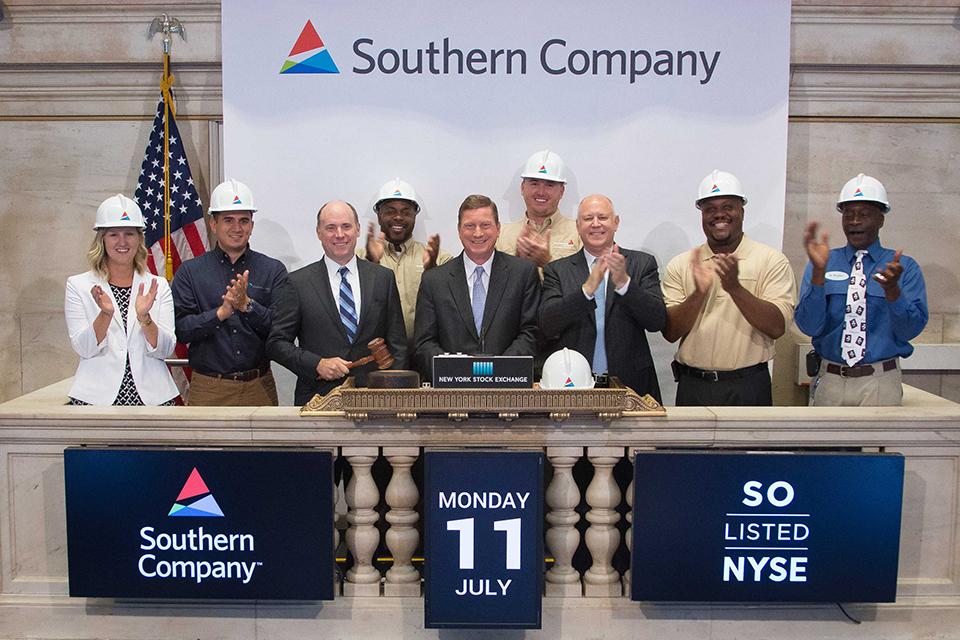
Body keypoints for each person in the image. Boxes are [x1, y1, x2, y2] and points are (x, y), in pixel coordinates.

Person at [662, 170, 796, 406]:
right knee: (687, 446)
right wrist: (699, 293)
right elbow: (671, 332)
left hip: (748, 386)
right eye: (710, 209)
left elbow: (777, 327)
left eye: (727, 206)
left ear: (742, 211)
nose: (719, 214)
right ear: (702, 215)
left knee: (748, 446)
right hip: (693, 386)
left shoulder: (771, 260)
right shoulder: (682, 264)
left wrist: (735, 288)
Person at [796, 173, 928, 406]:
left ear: (881, 219)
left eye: (864, 214)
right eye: (848, 214)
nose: (855, 221)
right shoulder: (823, 261)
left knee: (875, 444)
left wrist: (892, 292)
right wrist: (817, 274)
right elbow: (809, 325)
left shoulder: (904, 267)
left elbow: (909, 331)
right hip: (831, 379)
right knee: (827, 444)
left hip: (880, 381)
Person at [267, 200, 408, 405]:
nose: (339, 234)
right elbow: (276, 344)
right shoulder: (297, 282)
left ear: (358, 229)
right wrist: (317, 364)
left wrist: (395, 397)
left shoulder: (382, 278)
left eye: (346, 226)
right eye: (330, 228)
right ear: (319, 233)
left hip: (376, 401)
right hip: (317, 401)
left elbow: (398, 345)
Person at [172, 179, 288, 406]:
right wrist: (220, 314)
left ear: (252, 225)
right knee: (205, 444)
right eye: (228, 220)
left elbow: (282, 329)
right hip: (208, 389)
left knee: (265, 444)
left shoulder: (273, 270)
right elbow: (181, 330)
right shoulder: (190, 272)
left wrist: (248, 306)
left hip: (259, 387)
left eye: (244, 220)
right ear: (213, 224)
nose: (237, 228)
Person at [540, 194, 667, 400]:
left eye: (603, 217)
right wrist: (587, 290)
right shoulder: (557, 270)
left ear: (616, 222)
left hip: (631, 385)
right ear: (578, 225)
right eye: (588, 218)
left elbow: (657, 321)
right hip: (572, 386)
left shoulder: (642, 263)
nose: (596, 224)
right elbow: (548, 324)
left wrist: (625, 283)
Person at [64, 194, 179, 405]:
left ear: (139, 239)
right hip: (95, 397)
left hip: (152, 398)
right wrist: (105, 315)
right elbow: (84, 348)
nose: (122, 241)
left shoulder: (158, 285)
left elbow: (165, 349)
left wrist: (145, 318)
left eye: (129, 234)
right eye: (113, 234)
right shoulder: (78, 285)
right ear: (102, 239)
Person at [413, 194, 540, 382]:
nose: (478, 233)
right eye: (470, 226)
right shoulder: (434, 280)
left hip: (509, 390)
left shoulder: (523, 273)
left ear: (498, 228)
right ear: (459, 230)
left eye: (485, 225)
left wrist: (498, 371)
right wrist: (457, 372)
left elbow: (532, 332)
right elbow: (424, 343)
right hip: (452, 393)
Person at [359, 178, 451, 346]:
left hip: (423, 355)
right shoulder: (358, 258)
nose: (398, 217)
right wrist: (371, 263)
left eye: (406, 212)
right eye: (390, 211)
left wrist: (433, 272)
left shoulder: (440, 258)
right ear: (379, 216)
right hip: (376, 356)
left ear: (415, 216)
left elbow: (450, 311)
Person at [496, 149, 582, 268]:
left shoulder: (579, 234)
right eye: (534, 183)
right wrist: (517, 266)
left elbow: (585, 283)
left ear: (562, 191)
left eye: (549, 185)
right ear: (522, 187)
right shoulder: (501, 236)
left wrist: (546, 263)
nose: (541, 192)